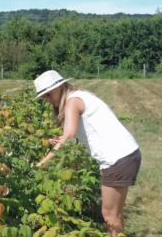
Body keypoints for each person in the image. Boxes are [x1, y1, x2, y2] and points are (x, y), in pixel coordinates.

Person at [33, 70, 141, 236]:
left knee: (110, 215)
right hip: (124, 154)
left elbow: (69, 135)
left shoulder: (72, 102)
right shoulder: (79, 96)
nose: (47, 99)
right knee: (113, 214)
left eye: (48, 94)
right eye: (44, 97)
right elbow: (76, 133)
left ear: (60, 87)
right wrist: (61, 139)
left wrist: (42, 163)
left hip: (117, 158)